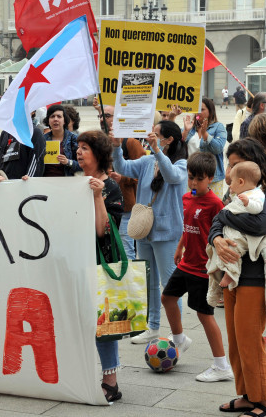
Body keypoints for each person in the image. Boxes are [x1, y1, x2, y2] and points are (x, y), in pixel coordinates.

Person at [209, 138, 266, 416]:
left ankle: (265, 403)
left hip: (258, 276)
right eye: (230, 166)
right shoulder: (242, 189)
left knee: (249, 339)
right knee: (235, 340)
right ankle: (247, 394)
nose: (230, 173)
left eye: (235, 165)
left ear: (252, 162)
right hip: (235, 274)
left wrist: (223, 216)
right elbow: (216, 222)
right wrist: (217, 237)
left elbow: (259, 224)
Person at [111, 120, 188, 344]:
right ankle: (153, 326)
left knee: (169, 284)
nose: (150, 137)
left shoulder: (181, 163)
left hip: (167, 232)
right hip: (143, 228)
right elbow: (123, 168)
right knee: (149, 281)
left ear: (169, 139)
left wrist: (156, 150)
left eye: (155, 135)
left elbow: (172, 175)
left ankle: (177, 333)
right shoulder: (147, 161)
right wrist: (116, 147)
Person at [162, 151, 233, 383]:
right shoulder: (186, 197)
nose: (193, 183)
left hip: (203, 269)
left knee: (204, 315)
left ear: (210, 178)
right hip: (186, 264)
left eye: (198, 179)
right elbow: (187, 226)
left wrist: (222, 270)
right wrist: (180, 247)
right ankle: (180, 339)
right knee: (167, 298)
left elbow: (220, 235)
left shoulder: (216, 204)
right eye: (191, 177)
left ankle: (222, 365)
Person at [76, 129, 125, 402]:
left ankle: (111, 382)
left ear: (99, 155)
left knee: (104, 324)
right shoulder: (75, 183)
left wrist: (97, 197)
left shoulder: (111, 187)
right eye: (79, 147)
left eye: (85, 148)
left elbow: (103, 231)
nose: (79, 152)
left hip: (101, 262)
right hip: (77, 260)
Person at [207, 161, 266, 295]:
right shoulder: (242, 193)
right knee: (221, 245)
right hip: (234, 226)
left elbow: (257, 208)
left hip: (242, 233)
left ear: (241, 182)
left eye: (232, 182)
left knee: (233, 247)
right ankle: (219, 267)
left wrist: (248, 204)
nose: (230, 185)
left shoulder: (256, 194)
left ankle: (231, 272)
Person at [103, 104, 145, 260]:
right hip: (105, 206)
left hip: (126, 208)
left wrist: (123, 179)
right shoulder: (101, 142)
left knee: (126, 251)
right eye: (100, 116)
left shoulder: (131, 143)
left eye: (107, 116)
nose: (102, 119)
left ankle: (130, 284)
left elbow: (143, 174)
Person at [185, 98, 227, 196]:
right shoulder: (191, 128)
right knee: (193, 202)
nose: (198, 112)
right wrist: (185, 132)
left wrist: (205, 135)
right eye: (197, 109)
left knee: (211, 206)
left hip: (211, 179)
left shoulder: (218, 127)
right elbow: (179, 147)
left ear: (210, 111)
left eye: (202, 109)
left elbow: (218, 148)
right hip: (193, 177)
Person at [42, 105, 81, 177]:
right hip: (45, 181)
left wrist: (68, 162)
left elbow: (83, 165)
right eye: (52, 116)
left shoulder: (74, 139)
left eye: (59, 116)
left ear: (64, 121)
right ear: (48, 121)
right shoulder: (42, 139)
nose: (55, 119)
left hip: (66, 182)